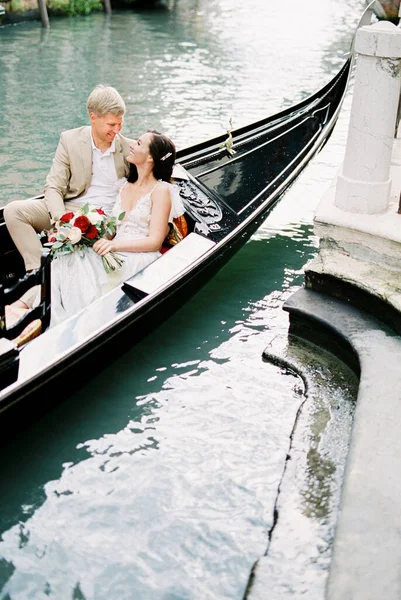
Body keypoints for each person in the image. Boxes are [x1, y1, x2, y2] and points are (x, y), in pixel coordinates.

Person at [50, 129, 184, 325]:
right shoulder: (123, 186)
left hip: (139, 257)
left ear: (150, 158)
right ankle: (51, 318)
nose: (132, 145)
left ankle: (78, 322)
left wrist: (114, 246)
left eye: (138, 143)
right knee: (68, 255)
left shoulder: (161, 190)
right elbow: (113, 230)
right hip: (114, 249)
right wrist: (88, 234)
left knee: (78, 265)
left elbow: (155, 242)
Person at [4, 83, 133, 274]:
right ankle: (39, 272)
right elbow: (54, 187)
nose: (117, 130)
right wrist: (62, 220)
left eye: (120, 124)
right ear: (93, 117)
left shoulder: (130, 149)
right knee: (14, 211)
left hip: (105, 218)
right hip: (69, 209)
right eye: (111, 125)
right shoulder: (69, 140)